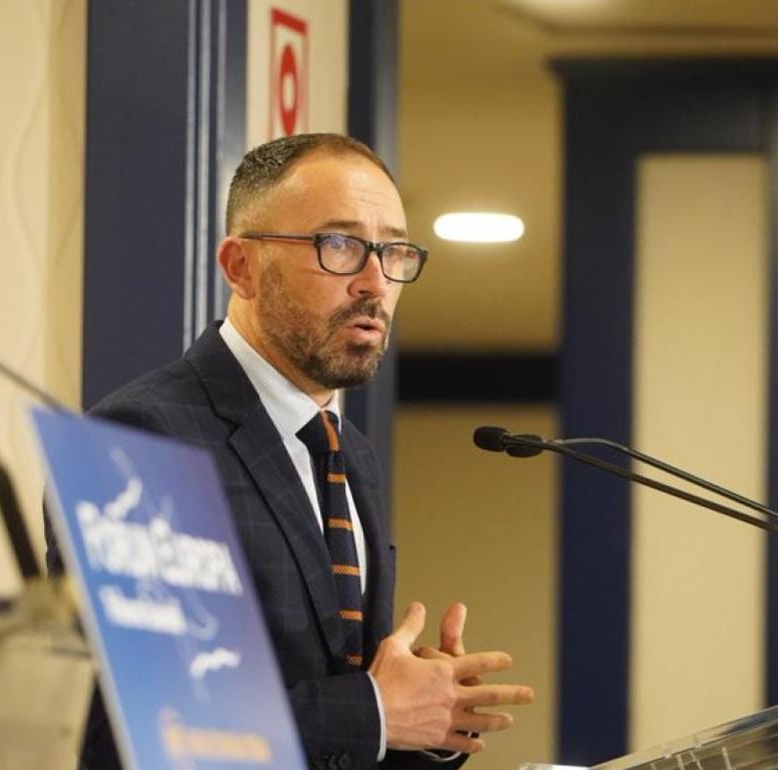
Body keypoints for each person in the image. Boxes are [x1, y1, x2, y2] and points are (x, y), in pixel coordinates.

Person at [47, 133, 533, 770]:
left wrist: (427, 720)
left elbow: (343, 730)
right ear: (240, 266)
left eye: (393, 252)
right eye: (340, 245)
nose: (374, 283)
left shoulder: (349, 451)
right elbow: (138, 724)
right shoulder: (144, 437)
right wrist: (377, 710)